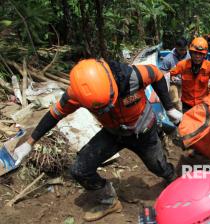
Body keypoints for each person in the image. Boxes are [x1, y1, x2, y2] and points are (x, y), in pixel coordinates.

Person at [12, 59, 183, 222]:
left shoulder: (134, 75)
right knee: (80, 169)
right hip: (112, 133)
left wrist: (169, 108)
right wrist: (30, 143)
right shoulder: (75, 94)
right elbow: (54, 115)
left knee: (158, 166)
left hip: (143, 131)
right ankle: (109, 201)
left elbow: (158, 75)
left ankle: (172, 179)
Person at [170, 37, 210, 113]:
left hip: (203, 103)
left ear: (205, 55)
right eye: (195, 53)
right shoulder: (182, 65)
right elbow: (169, 74)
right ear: (190, 53)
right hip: (186, 104)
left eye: (200, 54)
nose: (197, 56)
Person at [160, 37, 190, 111]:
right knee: (175, 100)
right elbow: (162, 72)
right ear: (176, 47)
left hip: (186, 82)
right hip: (173, 83)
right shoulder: (168, 59)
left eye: (185, 49)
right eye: (181, 50)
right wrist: (169, 75)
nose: (183, 51)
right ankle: (179, 115)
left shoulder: (190, 57)